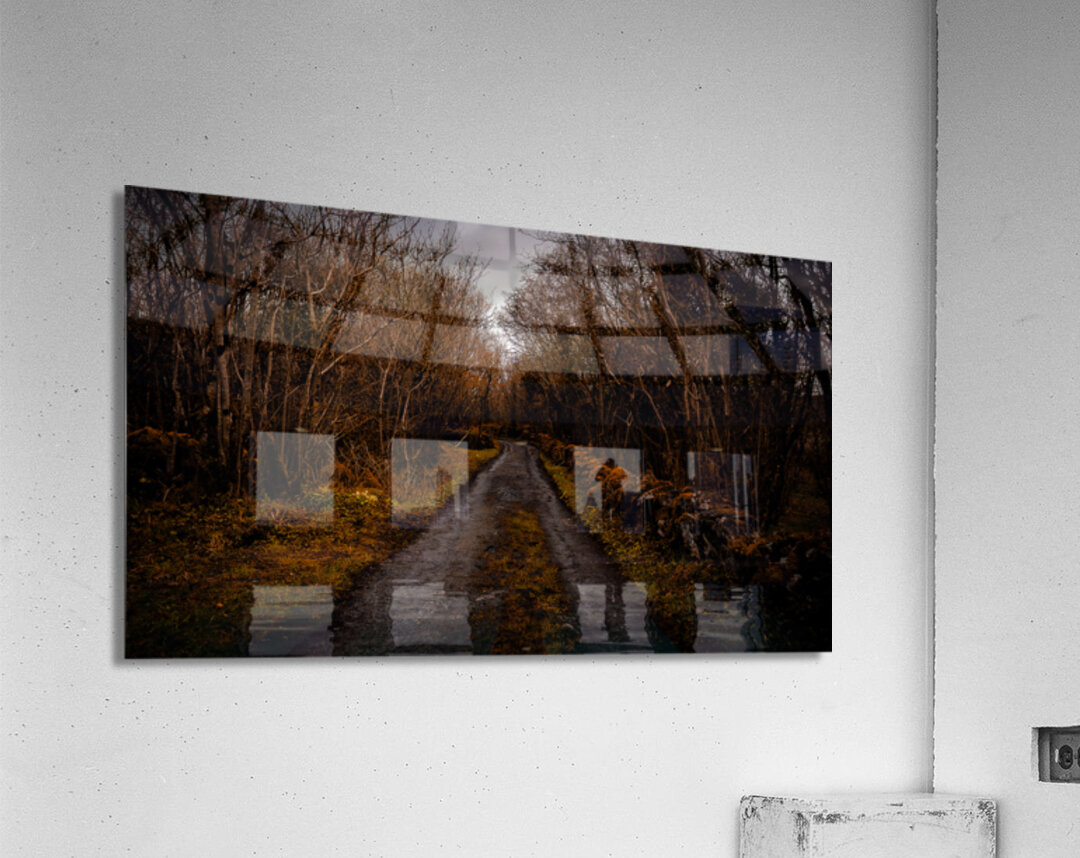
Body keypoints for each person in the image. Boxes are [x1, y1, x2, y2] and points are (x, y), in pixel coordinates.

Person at [595, 457, 627, 526]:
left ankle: (608, 522)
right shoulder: (609, 470)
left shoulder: (614, 471)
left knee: (609, 506)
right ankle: (609, 522)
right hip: (610, 490)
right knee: (610, 506)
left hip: (612, 491)